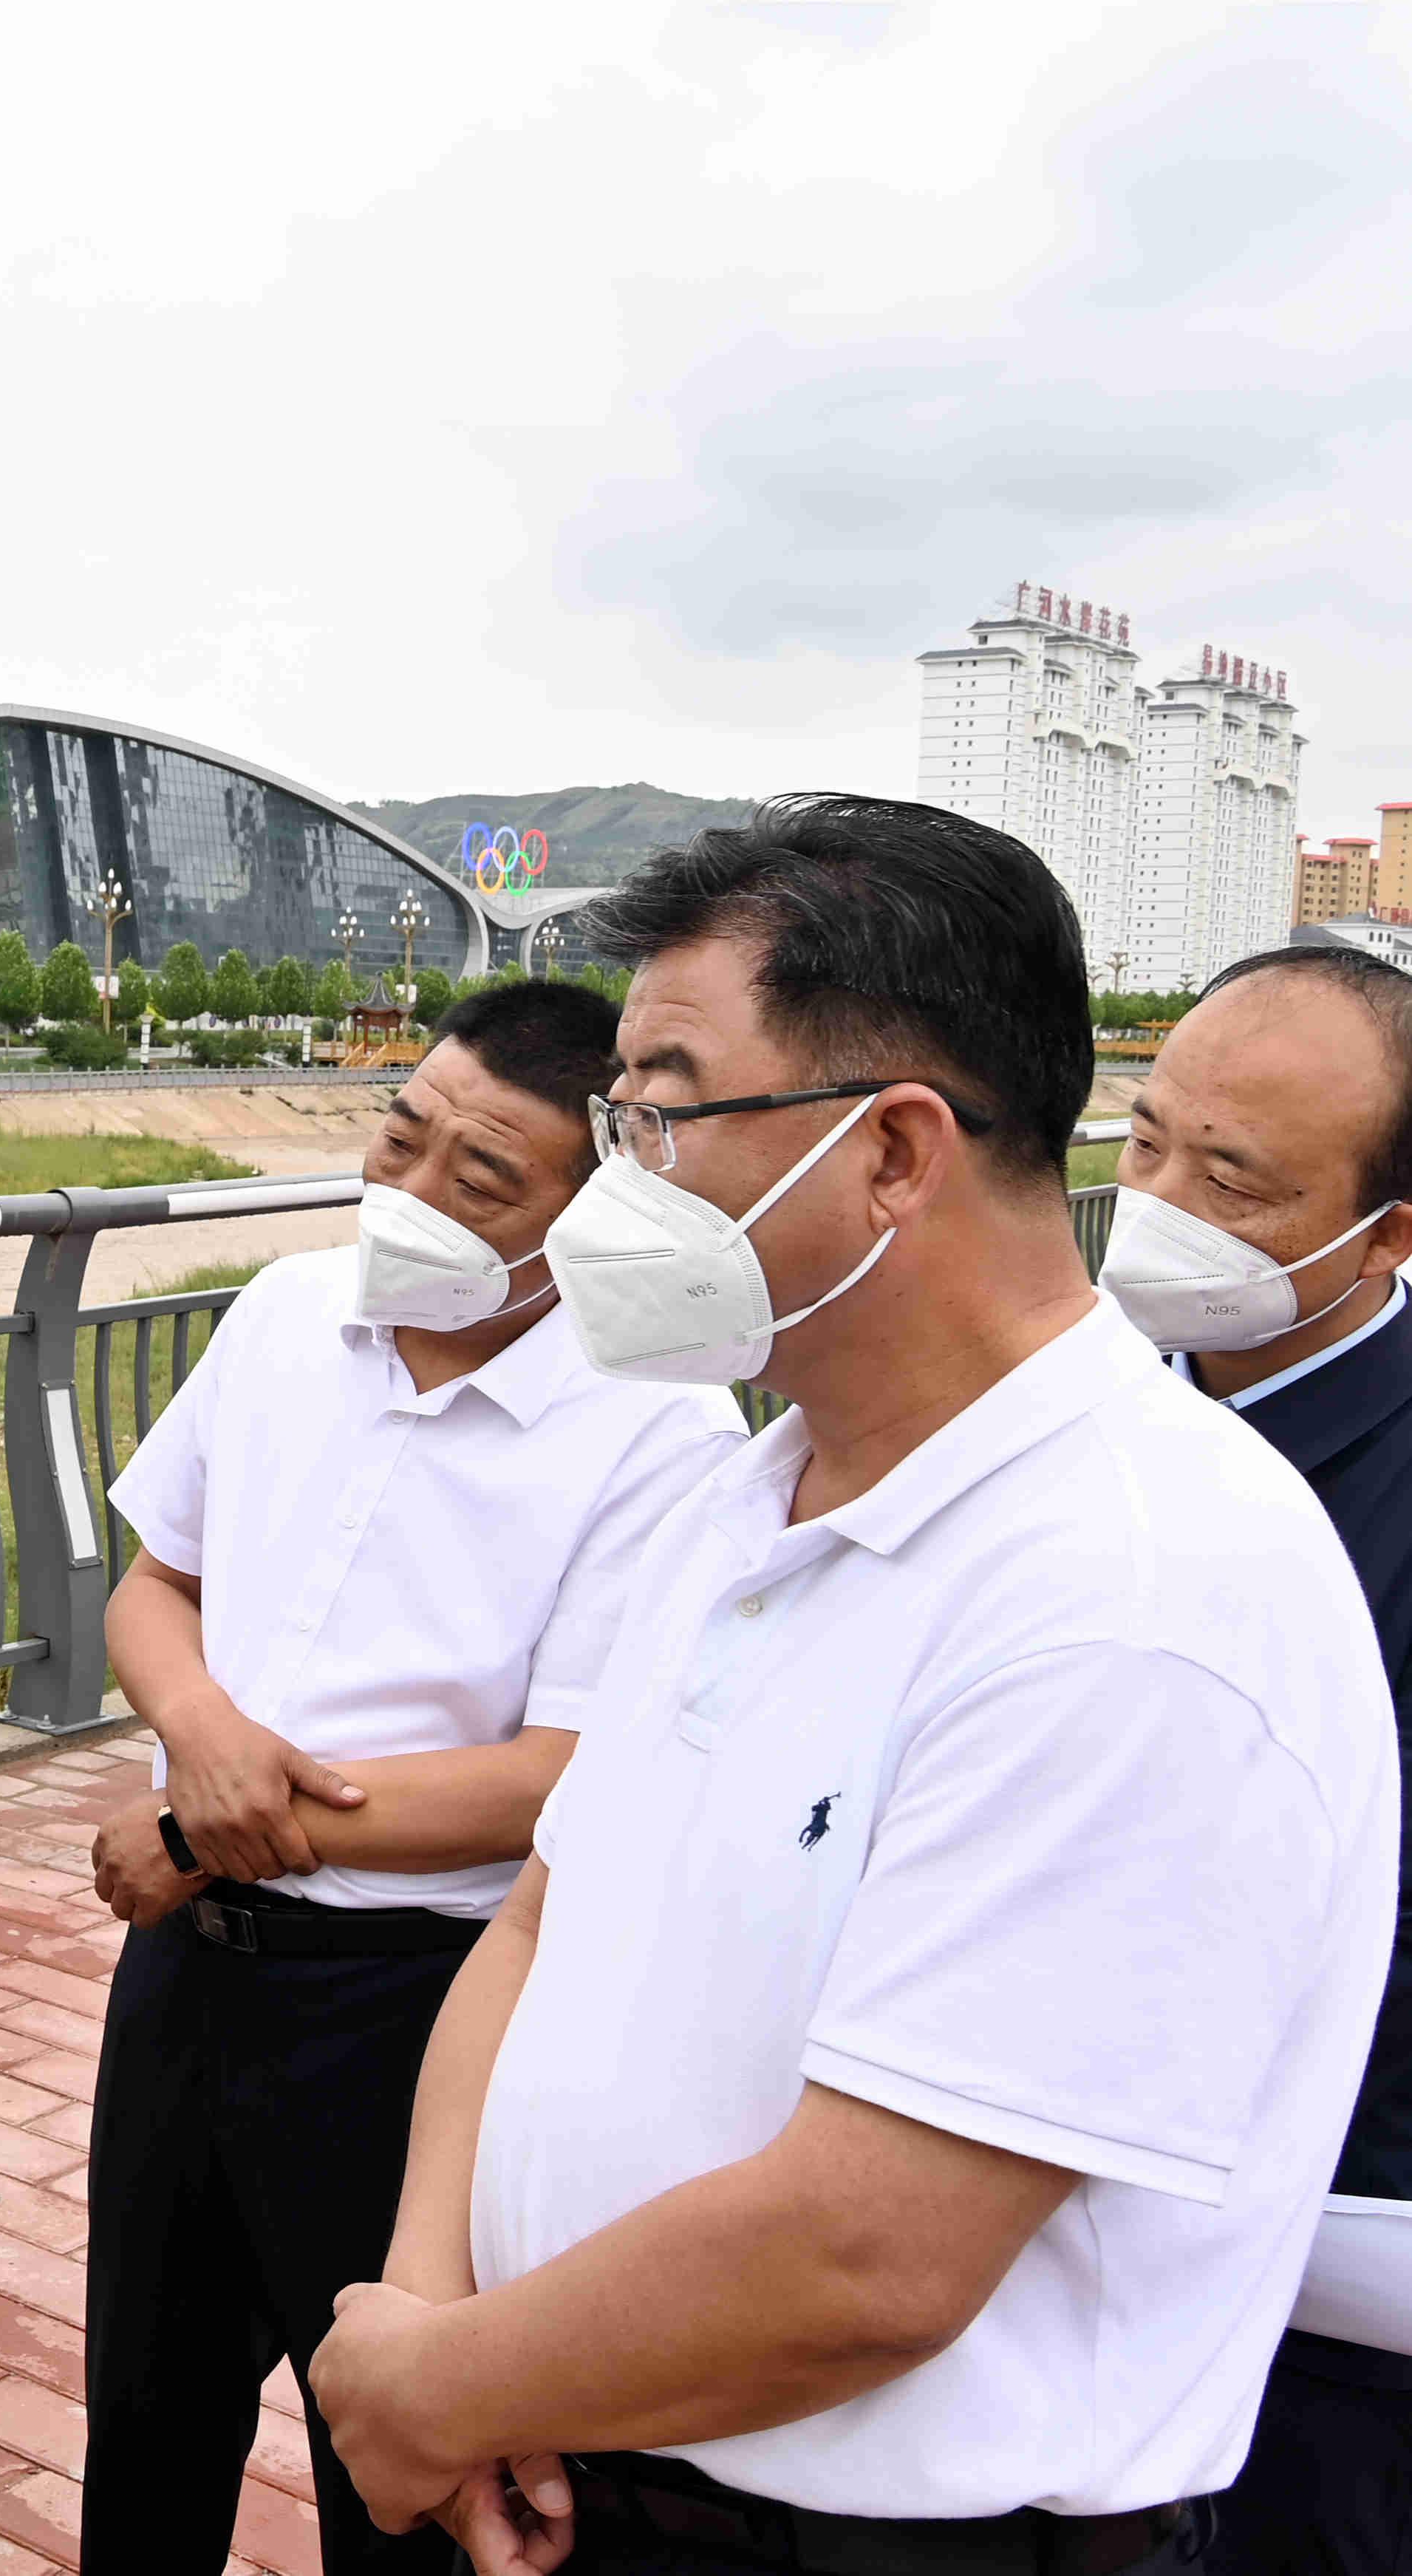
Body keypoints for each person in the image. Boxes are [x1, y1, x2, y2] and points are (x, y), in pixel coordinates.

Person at [311, 796, 1399, 2576]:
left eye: (659, 1113)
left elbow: (866, 2257)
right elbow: (538, 1925)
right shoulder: (757, 1488)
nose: (617, 1182)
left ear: (893, 1152)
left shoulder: (1133, 1589)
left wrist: (443, 2389)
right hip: (584, 2458)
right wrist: (435, 2312)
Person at [82, 979, 740, 2576]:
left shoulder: (658, 1428)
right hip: (187, 1979)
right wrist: (203, 1741)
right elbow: (149, 1586)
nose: (410, 1188)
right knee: (144, 2423)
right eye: (399, 1134)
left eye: (478, 1178)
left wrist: (206, 1821)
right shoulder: (283, 1314)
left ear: (590, 1218)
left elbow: (556, 1776)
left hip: (415, 2007)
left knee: (394, 2464)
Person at [1105, 946, 1412, 2572]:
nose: (1158, 1204)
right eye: (1145, 1142)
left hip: (1333, 2283)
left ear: (1389, 1234)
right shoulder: (1077, 1412)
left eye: (1232, 1181)